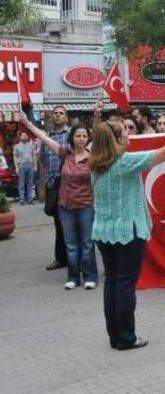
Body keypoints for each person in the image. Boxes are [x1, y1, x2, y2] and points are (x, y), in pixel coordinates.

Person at [90, 113, 165, 350]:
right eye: (124, 132)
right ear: (114, 141)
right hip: (128, 232)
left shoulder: (95, 164)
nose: (129, 134)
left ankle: (115, 336)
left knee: (112, 282)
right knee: (126, 284)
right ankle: (127, 337)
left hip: (103, 231)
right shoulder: (125, 162)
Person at [21, 116, 98, 290]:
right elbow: (44, 138)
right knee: (70, 244)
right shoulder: (64, 153)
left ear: (88, 139)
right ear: (72, 138)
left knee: (86, 243)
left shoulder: (93, 157)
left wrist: (97, 113)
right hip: (65, 206)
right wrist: (27, 123)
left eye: (84, 136)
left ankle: (89, 276)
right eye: (78, 136)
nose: (81, 139)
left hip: (86, 206)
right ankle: (72, 277)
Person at [42, 105, 70, 271]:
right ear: (52, 117)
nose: (58, 116)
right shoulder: (47, 138)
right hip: (53, 186)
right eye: (56, 113)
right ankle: (61, 258)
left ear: (66, 118)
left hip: (70, 185)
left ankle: (76, 257)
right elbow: (44, 161)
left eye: (61, 114)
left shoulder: (72, 134)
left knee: (73, 222)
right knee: (58, 223)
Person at [13, 131, 36, 205]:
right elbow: (15, 157)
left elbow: (34, 156)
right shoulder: (16, 146)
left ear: (27, 137)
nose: (24, 137)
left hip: (30, 165)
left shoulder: (30, 145)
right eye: (23, 135)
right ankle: (22, 199)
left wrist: (35, 165)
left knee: (30, 183)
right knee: (21, 184)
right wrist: (16, 167)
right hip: (21, 165)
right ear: (20, 137)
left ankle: (30, 199)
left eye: (26, 136)